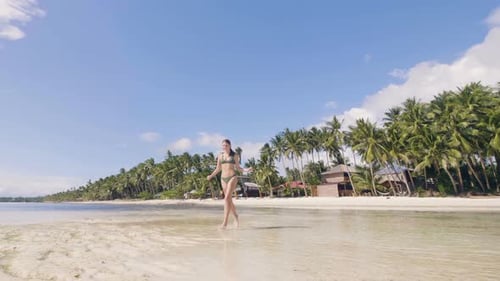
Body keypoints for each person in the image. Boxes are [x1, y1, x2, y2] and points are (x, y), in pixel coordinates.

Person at [207, 139, 251, 229]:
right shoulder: (220, 156)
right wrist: (211, 176)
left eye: (226, 145)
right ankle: (236, 217)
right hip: (223, 179)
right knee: (229, 200)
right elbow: (218, 169)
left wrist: (246, 170)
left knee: (227, 198)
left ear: (230, 146)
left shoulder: (234, 155)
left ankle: (225, 223)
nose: (224, 147)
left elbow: (238, 168)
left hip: (232, 177)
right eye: (223, 145)